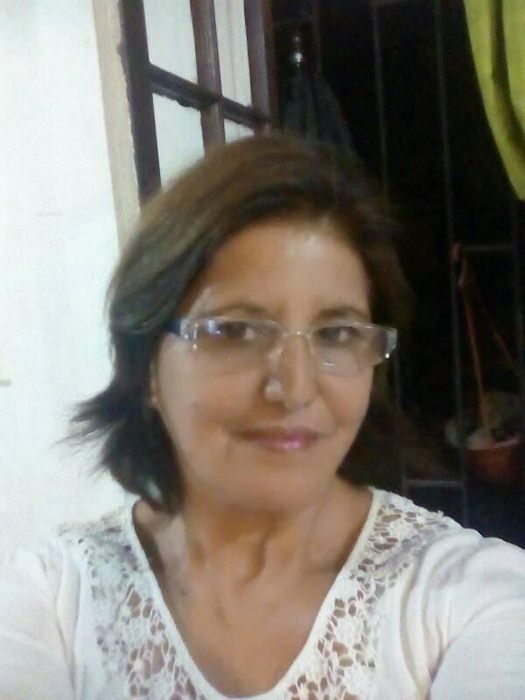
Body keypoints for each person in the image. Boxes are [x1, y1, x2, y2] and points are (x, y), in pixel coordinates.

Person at [1, 134, 524, 700]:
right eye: (235, 331)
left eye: (337, 333)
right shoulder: (54, 601)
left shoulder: (468, 600)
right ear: (147, 366)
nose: (294, 389)